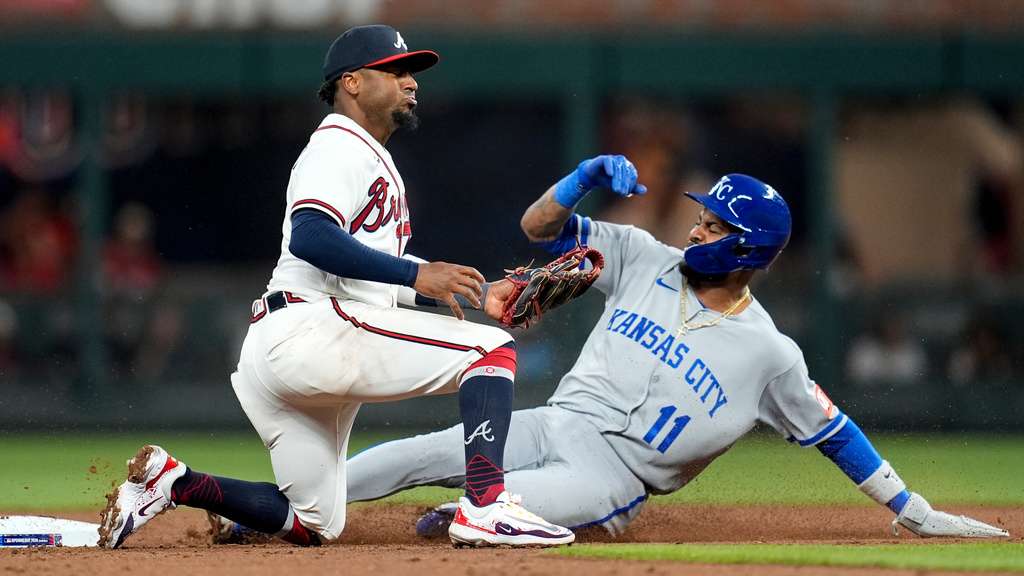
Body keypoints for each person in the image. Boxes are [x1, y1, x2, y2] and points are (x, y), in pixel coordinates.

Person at [334, 157, 1007, 539]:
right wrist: (581, 179)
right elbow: (538, 228)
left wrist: (911, 510)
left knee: (478, 516)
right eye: (701, 215)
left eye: (712, 223)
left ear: (745, 249)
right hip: (554, 422)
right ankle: (291, 507)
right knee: (419, 455)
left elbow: (836, 434)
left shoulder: (770, 354)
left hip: (611, 478)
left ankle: (455, 522)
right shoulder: (639, 254)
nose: (694, 227)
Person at [97, 24, 574, 549]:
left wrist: (476, 294)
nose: (410, 82)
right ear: (350, 82)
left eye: (410, 72)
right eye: (393, 71)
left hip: (292, 344)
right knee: (492, 351)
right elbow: (312, 237)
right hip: (312, 328)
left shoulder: (367, 154)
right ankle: (485, 507)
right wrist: (420, 274)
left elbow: (369, 274)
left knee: (315, 522)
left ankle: (174, 483)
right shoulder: (337, 146)